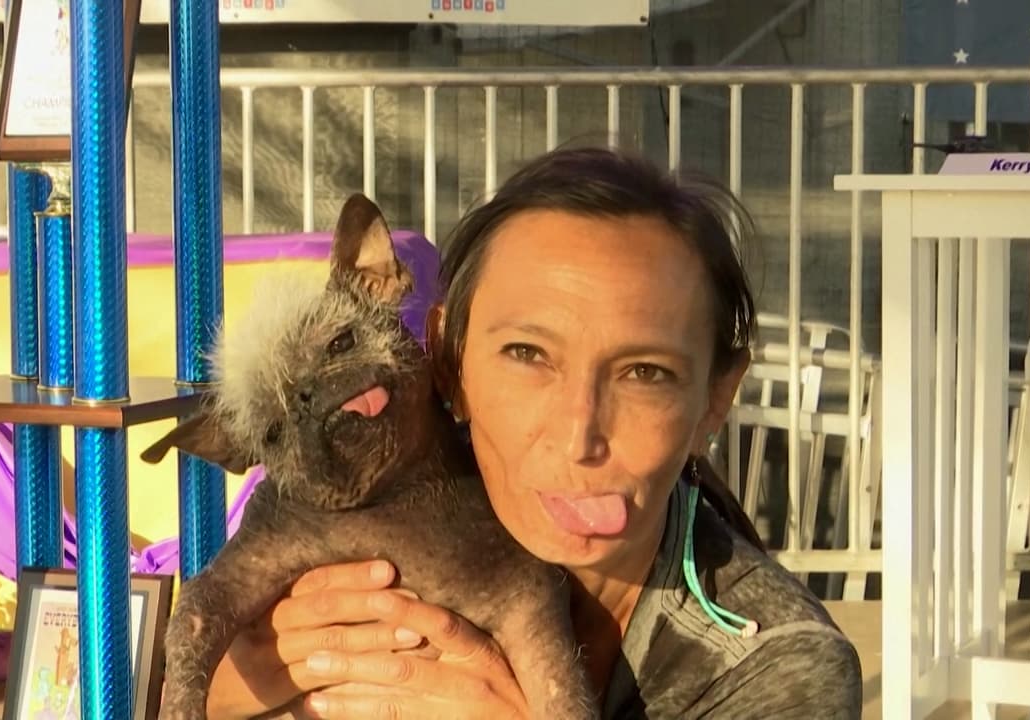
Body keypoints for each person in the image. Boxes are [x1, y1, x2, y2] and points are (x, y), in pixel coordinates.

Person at [203, 145, 863, 719]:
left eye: (645, 372)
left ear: (716, 397)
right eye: (527, 354)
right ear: (448, 362)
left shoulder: (773, 667)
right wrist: (217, 692)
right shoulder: (336, 499)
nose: (579, 436)